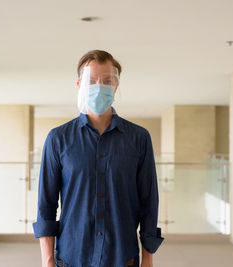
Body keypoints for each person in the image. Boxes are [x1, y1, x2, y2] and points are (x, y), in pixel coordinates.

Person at [33, 50, 164, 267]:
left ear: (116, 85)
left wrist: (148, 259)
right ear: (79, 86)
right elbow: (46, 205)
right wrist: (47, 261)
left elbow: (149, 202)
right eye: (91, 81)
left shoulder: (139, 138)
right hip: (72, 257)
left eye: (106, 80)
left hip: (123, 257)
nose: (99, 87)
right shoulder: (58, 139)